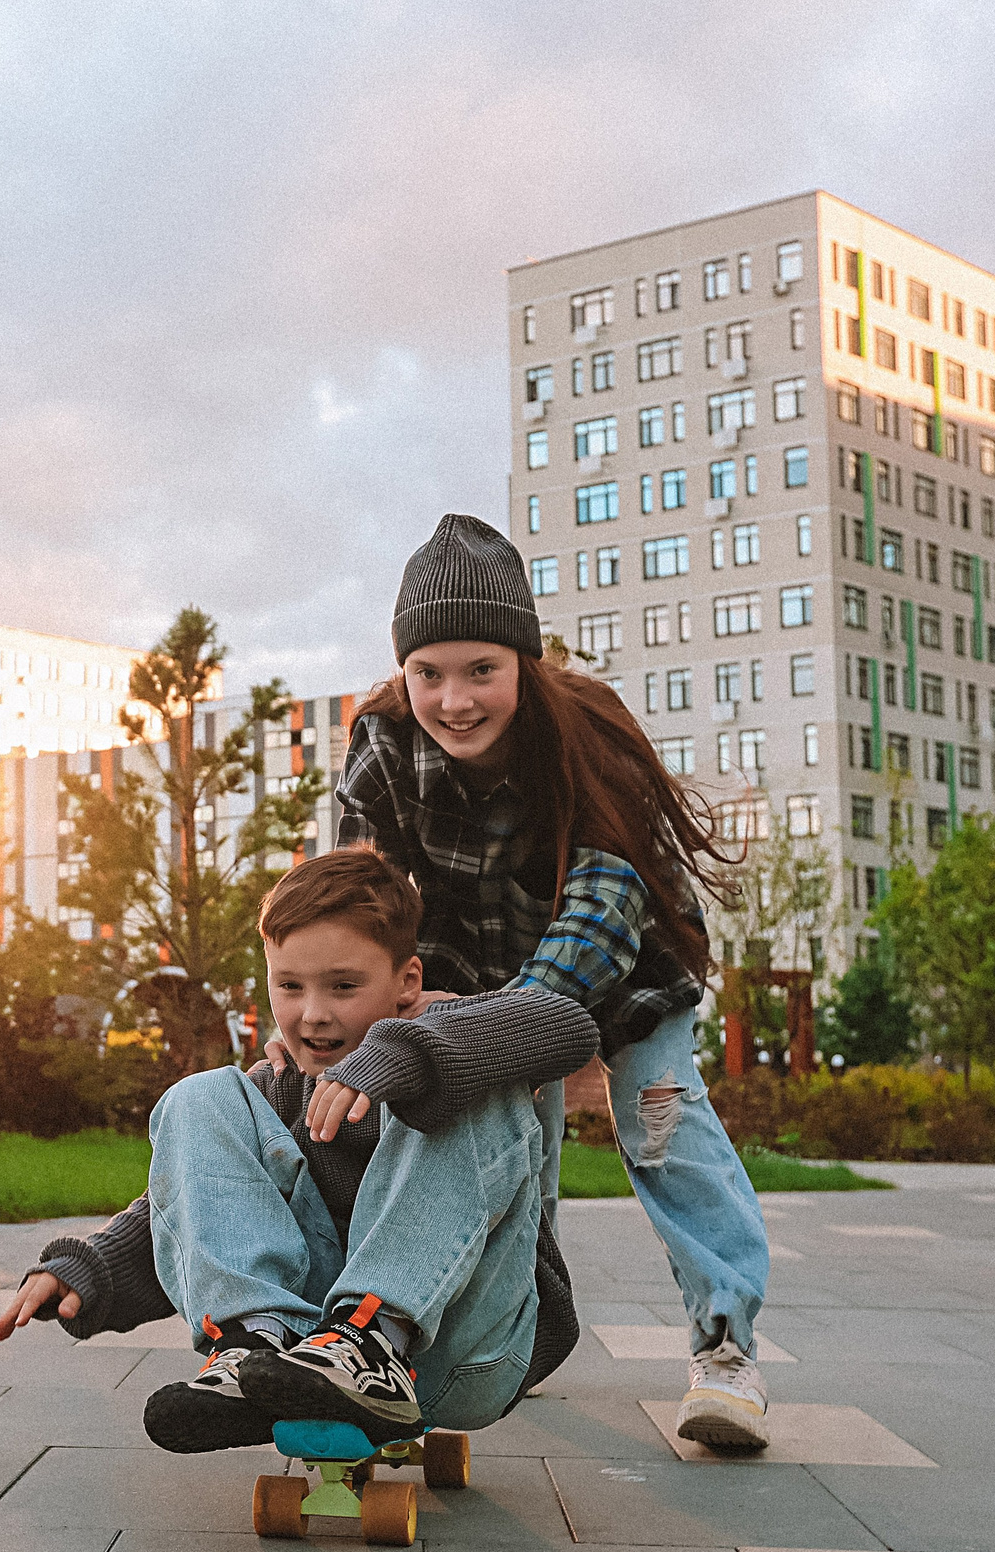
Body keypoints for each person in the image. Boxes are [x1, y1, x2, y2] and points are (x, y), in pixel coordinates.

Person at [331, 511, 776, 1451]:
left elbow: (600, 914)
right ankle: (510, 1334)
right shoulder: (382, 744)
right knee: (490, 1138)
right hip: (468, 967)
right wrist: (367, 1014)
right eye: (428, 673)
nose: (454, 700)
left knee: (663, 1128)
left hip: (620, 967)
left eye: (480, 671)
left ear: (523, 663)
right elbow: (363, 905)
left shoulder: (584, 736)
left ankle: (726, 1347)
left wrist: (509, 1027)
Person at [0, 845, 598, 1452]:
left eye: (343, 987)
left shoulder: (454, 1029)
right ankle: (253, 1343)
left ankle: (373, 1343)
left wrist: (402, 1051)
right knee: (201, 1096)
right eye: (290, 986)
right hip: (301, 1361)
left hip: (465, 1351)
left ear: (407, 981)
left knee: (476, 1077)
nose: (313, 1015)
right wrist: (89, 1270)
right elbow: (198, 1205)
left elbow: (569, 1025)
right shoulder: (280, 1088)